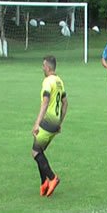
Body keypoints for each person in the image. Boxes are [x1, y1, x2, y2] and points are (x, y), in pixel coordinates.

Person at [31, 56, 66, 197]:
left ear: (48, 67)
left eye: (43, 65)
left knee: (35, 152)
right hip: (55, 122)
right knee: (40, 150)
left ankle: (52, 178)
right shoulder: (59, 81)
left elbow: (45, 103)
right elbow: (65, 103)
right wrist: (60, 122)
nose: (42, 68)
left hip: (47, 121)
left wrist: (37, 123)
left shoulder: (48, 81)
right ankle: (44, 182)